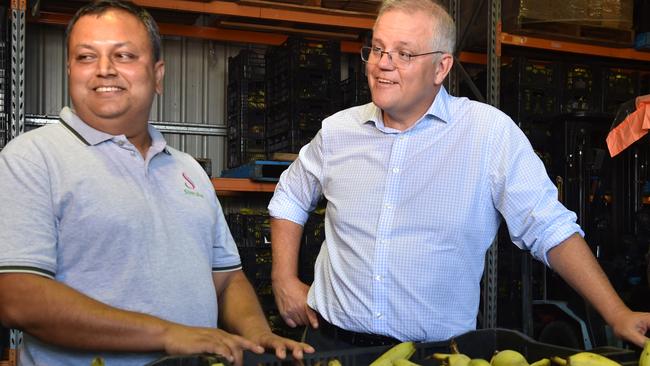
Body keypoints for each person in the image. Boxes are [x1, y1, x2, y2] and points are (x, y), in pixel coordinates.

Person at [269, 0, 650, 349]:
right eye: (378, 48)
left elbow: (548, 227)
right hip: (331, 342)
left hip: (435, 354)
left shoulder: (487, 134)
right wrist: (283, 279)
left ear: (442, 67)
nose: (383, 63)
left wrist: (616, 313)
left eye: (403, 54)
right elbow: (291, 195)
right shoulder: (339, 131)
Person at [0, 1, 313, 365]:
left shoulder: (188, 170)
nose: (104, 70)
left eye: (124, 55)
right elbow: (18, 297)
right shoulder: (31, 158)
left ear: (158, 75)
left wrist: (256, 334)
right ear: (69, 69)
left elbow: (227, 280)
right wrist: (168, 334)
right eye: (86, 57)